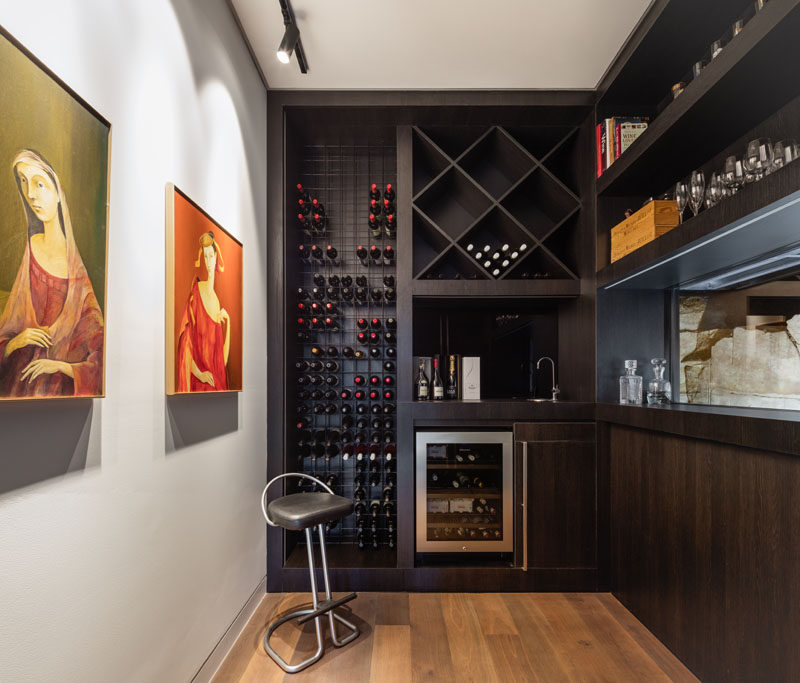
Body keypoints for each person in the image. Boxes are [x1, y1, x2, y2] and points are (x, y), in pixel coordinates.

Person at [0, 149, 104, 398]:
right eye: (24, 182)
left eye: (39, 184)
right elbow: (8, 328)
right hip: (17, 386)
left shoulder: (78, 279)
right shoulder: (30, 247)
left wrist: (59, 366)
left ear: (58, 192)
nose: (31, 194)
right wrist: (16, 341)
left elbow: (99, 357)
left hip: (57, 395)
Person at [176, 231, 231, 391]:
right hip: (199, 385)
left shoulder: (216, 300)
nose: (208, 261)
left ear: (216, 257)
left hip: (216, 386)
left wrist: (230, 324)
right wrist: (199, 374)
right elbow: (185, 344)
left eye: (211, 256)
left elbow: (222, 360)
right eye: (205, 256)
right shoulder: (196, 292)